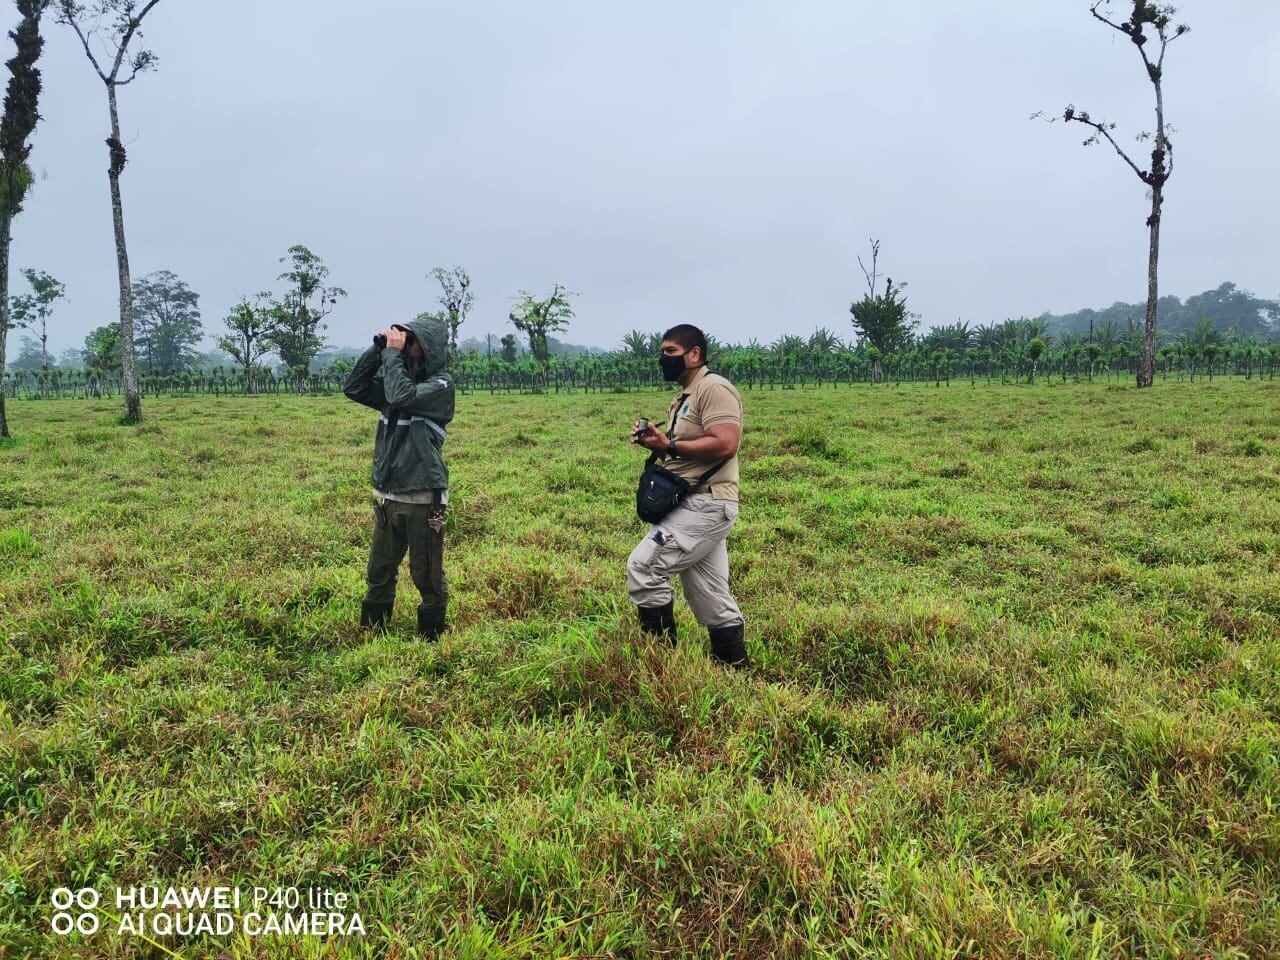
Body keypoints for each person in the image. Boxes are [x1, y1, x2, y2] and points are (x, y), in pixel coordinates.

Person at [628, 323, 749, 668]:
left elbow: (727, 443)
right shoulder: (685, 397)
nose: (663, 359)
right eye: (662, 352)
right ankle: (734, 672)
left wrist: (669, 444)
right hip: (695, 500)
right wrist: (660, 445)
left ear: (694, 354)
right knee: (711, 597)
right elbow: (684, 451)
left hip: (707, 502)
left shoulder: (714, 388)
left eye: (670, 352)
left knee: (644, 568)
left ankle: (661, 669)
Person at [343, 315, 454, 639]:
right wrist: (378, 349)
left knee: (426, 574)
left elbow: (404, 397)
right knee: (378, 570)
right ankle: (373, 633)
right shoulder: (395, 386)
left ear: (429, 347)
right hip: (389, 496)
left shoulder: (440, 386)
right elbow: (354, 387)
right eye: (402, 338)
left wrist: (391, 355)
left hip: (423, 498)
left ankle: (432, 638)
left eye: (411, 339)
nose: (404, 344)